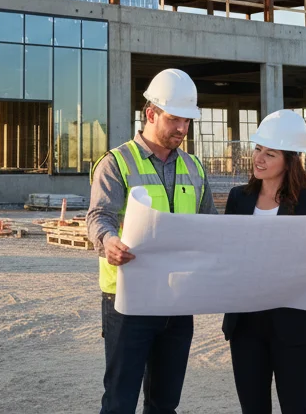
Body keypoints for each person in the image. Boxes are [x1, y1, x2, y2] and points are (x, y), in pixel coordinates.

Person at [87, 68, 216, 414]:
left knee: (164, 402)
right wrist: (108, 240)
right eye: (174, 119)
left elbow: (209, 227)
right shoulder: (116, 163)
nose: (182, 129)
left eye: (187, 122)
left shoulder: (194, 168)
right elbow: (99, 216)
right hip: (129, 299)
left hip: (177, 299)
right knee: (120, 400)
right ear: (150, 113)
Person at [222, 109, 306, 414]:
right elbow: (227, 254)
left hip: (296, 325)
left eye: (270, 154)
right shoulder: (238, 198)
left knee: (296, 408)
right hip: (246, 325)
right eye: (257, 149)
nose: (259, 158)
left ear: (289, 160)